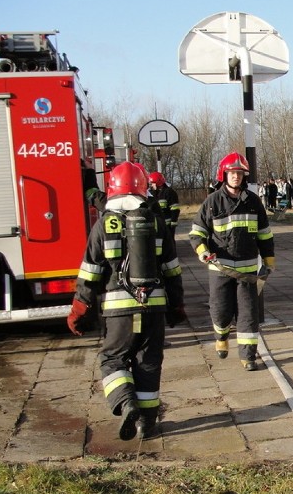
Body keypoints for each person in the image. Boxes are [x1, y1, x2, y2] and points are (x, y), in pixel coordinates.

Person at [67, 162, 186, 441]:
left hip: (118, 312)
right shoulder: (155, 221)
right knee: (149, 362)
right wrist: (176, 305)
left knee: (112, 359)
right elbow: (172, 268)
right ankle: (147, 424)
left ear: (113, 189)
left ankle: (125, 401)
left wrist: (79, 309)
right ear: (144, 188)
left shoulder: (103, 223)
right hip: (153, 307)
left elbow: (90, 273)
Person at [190, 152, 275, 371]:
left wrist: (269, 259)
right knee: (221, 311)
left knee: (248, 315)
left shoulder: (253, 202)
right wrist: (202, 250)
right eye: (232, 173)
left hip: (247, 271)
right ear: (224, 175)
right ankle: (221, 336)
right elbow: (197, 232)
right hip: (221, 269)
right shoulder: (212, 203)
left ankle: (248, 357)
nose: (236, 177)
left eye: (239, 173)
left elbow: (265, 234)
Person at [148, 171, 180, 237]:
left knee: (169, 243)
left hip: (167, 225)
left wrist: (173, 221)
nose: (151, 185)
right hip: (157, 224)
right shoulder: (151, 193)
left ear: (158, 183)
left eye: (152, 183)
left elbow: (175, 208)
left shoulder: (169, 192)